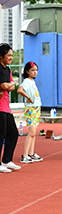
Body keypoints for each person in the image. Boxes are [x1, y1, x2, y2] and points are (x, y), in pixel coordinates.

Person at [0, 43, 21, 173]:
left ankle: (7, 160)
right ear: (1, 56)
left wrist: (8, 85)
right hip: (0, 108)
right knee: (0, 135)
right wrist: (7, 86)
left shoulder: (7, 70)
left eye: (12, 55)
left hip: (6, 107)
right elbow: (4, 86)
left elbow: (12, 86)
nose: (11, 58)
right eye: (9, 55)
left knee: (13, 132)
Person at [17, 61, 43, 163]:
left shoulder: (32, 81)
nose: (35, 72)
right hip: (31, 109)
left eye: (36, 70)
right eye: (32, 70)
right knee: (31, 132)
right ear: (27, 71)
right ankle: (25, 155)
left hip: (36, 108)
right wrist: (28, 97)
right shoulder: (27, 81)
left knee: (33, 133)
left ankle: (31, 154)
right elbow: (19, 90)